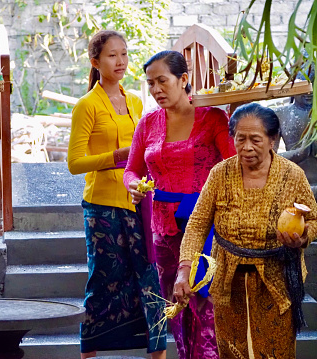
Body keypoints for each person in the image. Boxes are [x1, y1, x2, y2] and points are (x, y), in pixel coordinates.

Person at [174, 102, 317, 358]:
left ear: (273, 139)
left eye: (255, 140)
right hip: (229, 280)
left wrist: (303, 237)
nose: (247, 147)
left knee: (275, 351)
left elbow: (314, 220)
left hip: (277, 280)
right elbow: (197, 225)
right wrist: (184, 271)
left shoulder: (292, 175)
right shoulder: (220, 174)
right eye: (240, 139)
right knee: (232, 349)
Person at [123, 50, 236, 359]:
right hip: (163, 227)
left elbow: (233, 166)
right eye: (150, 84)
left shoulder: (213, 118)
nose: (157, 89)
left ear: (183, 79)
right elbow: (132, 169)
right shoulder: (148, 123)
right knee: (176, 304)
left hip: (206, 226)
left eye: (163, 81)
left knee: (206, 305)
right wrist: (134, 185)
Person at [68, 30, 166, 359]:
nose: (121, 61)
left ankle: (157, 351)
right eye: (112, 55)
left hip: (139, 203)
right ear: (95, 62)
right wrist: (116, 157)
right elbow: (74, 163)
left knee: (149, 275)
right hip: (102, 207)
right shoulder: (87, 106)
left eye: (124, 54)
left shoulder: (136, 101)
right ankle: (89, 350)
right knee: (104, 279)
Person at [274, 64, 317, 197]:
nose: (309, 92)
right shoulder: (280, 114)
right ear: (293, 84)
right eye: (304, 85)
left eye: (313, 85)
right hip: (294, 186)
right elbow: (268, 160)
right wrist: (299, 153)